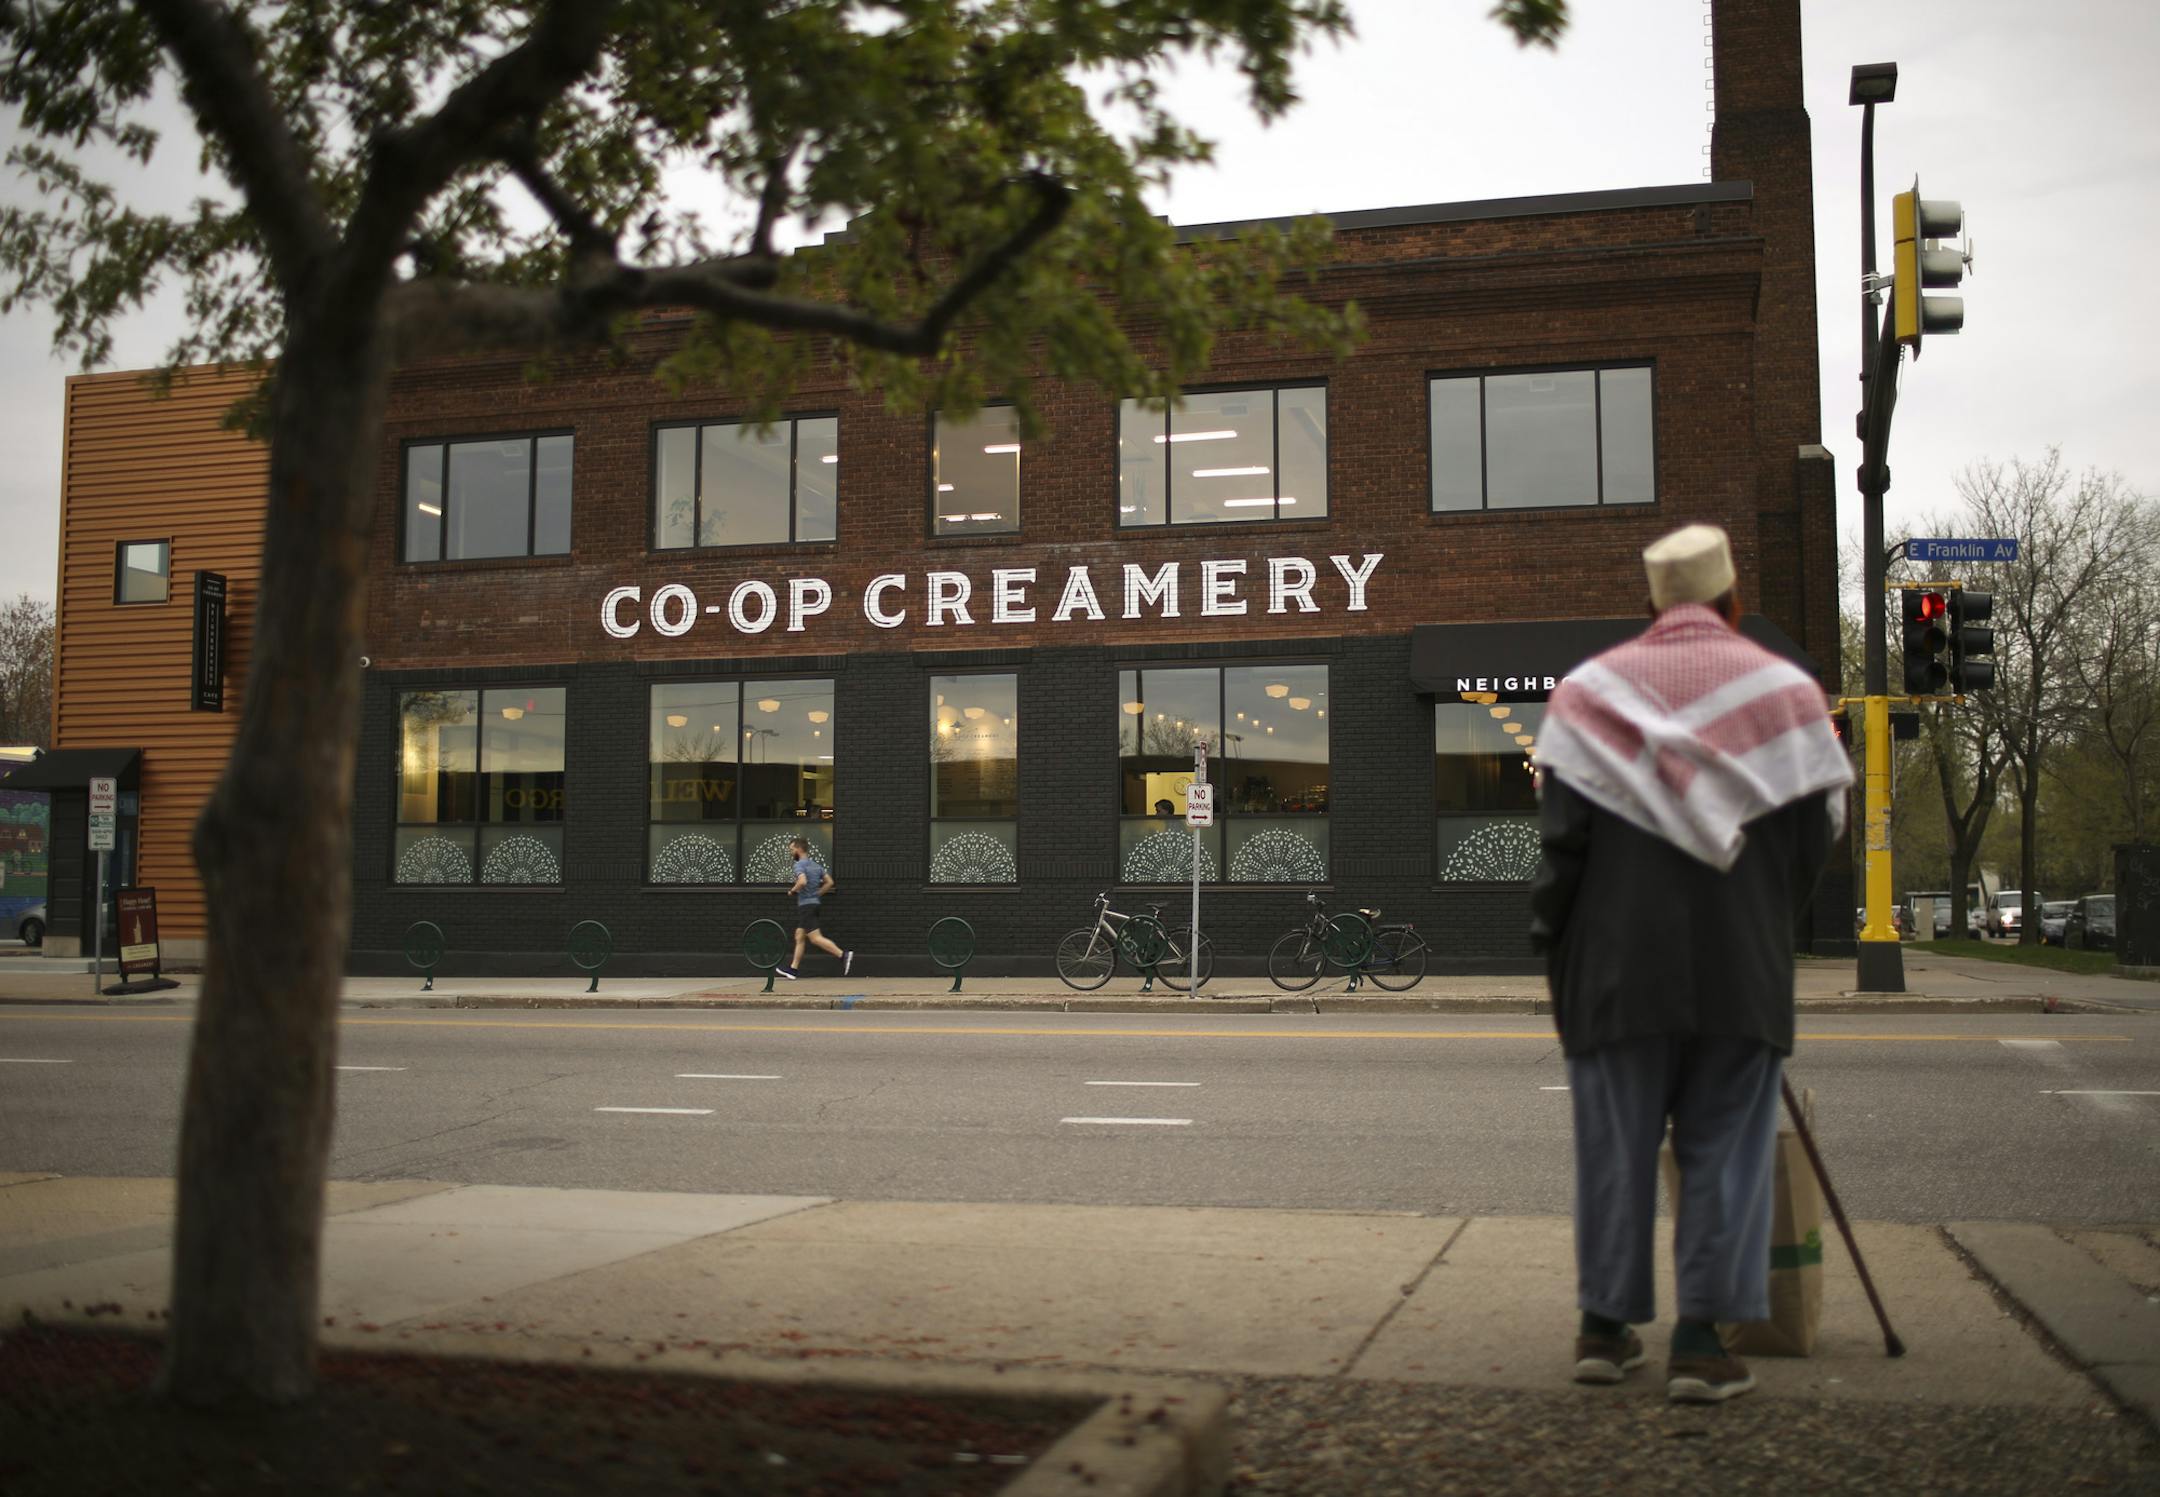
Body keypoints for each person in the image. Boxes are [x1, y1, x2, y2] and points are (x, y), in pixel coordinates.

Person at [1527, 523, 1850, 1404]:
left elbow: (1561, 852)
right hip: (1741, 962)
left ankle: (1605, 1329)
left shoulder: (1588, 696)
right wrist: (1766, 921)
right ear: (1732, 599)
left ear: (1651, 605)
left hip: (1615, 968)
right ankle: (1703, 1342)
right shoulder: (1789, 695)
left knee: (1613, 1149)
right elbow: (1818, 837)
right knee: (1727, 1149)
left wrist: (1557, 958)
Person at [777, 836, 852, 980]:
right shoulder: (816, 866)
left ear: (799, 849)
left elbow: (802, 881)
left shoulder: (800, 865)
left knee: (815, 938)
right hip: (814, 904)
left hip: (806, 906)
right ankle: (793, 969)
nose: (791, 853)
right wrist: (818, 893)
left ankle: (843, 955)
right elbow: (829, 882)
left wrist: (792, 891)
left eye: (792, 850)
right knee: (799, 935)